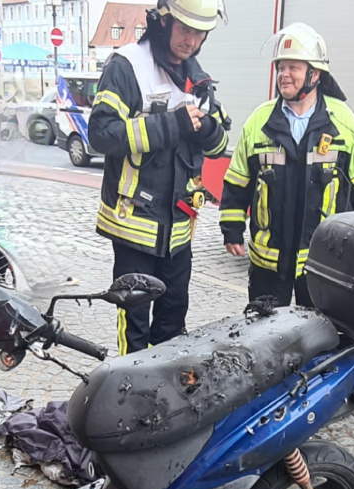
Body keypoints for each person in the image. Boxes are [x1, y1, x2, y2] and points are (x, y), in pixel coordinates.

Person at [88, 0, 230, 355]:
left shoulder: (198, 80)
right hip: (133, 226)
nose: (191, 40)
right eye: (185, 29)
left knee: (173, 317)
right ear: (164, 22)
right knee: (134, 322)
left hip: (179, 231)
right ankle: (130, 384)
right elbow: (101, 134)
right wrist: (171, 125)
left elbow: (219, 147)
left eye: (199, 33)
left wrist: (207, 128)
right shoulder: (127, 66)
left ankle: (163, 383)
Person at [219, 23, 354, 308]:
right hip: (269, 263)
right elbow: (238, 181)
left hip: (324, 263)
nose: (284, 75)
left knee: (321, 331)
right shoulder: (259, 120)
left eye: (293, 67)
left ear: (315, 74)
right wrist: (232, 228)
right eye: (280, 67)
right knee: (265, 331)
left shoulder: (343, 121)